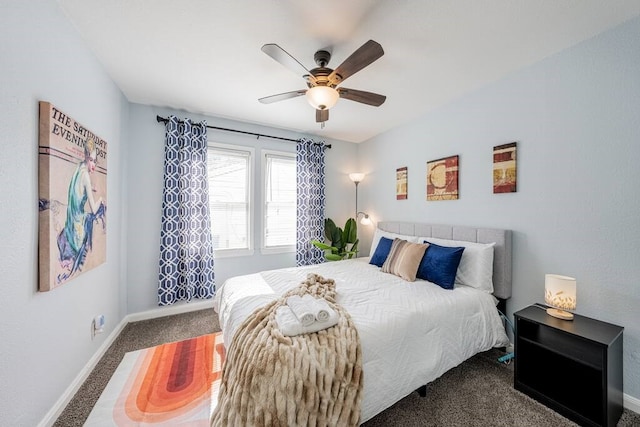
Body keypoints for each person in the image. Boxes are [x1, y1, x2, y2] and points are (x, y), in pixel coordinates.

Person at [56, 137, 106, 283]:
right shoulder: (86, 176)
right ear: (85, 156)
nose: (93, 165)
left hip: (70, 220)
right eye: (91, 160)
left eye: (94, 161)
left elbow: (78, 189)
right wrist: (101, 199)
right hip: (77, 226)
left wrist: (89, 189)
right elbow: (94, 208)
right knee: (96, 219)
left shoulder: (79, 168)